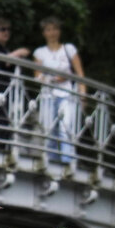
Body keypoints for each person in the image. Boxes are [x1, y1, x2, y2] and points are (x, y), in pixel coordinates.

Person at [32, 17, 86, 167]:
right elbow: (37, 77)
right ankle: (52, 161)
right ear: (44, 33)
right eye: (48, 30)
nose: (52, 33)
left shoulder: (69, 49)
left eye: (55, 29)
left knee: (65, 127)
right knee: (49, 129)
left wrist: (83, 95)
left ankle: (67, 161)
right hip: (48, 95)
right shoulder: (40, 52)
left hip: (67, 94)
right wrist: (55, 79)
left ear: (59, 31)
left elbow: (80, 73)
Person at [0, 18, 30, 144]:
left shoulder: (4, 49)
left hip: (3, 89)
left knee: (3, 119)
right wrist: (19, 53)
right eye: (2, 29)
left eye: (8, 29)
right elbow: (3, 61)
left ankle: (1, 144)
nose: (6, 32)